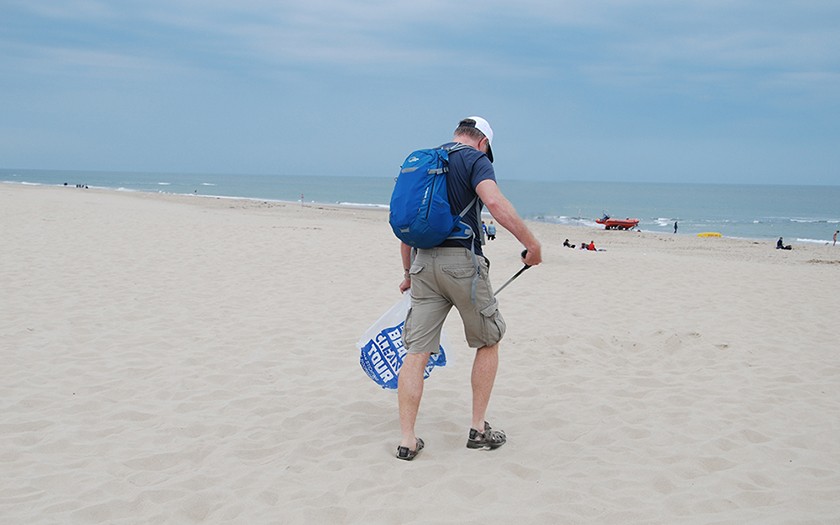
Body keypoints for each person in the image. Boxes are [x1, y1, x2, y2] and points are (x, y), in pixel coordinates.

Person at [396, 116, 542, 460]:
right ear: (484, 143)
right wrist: (531, 244)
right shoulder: (474, 159)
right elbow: (494, 203)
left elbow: (407, 225)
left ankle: (407, 440)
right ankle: (478, 429)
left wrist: (407, 273)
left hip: (422, 263)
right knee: (488, 339)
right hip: (462, 262)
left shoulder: (424, 160)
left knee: (416, 353)